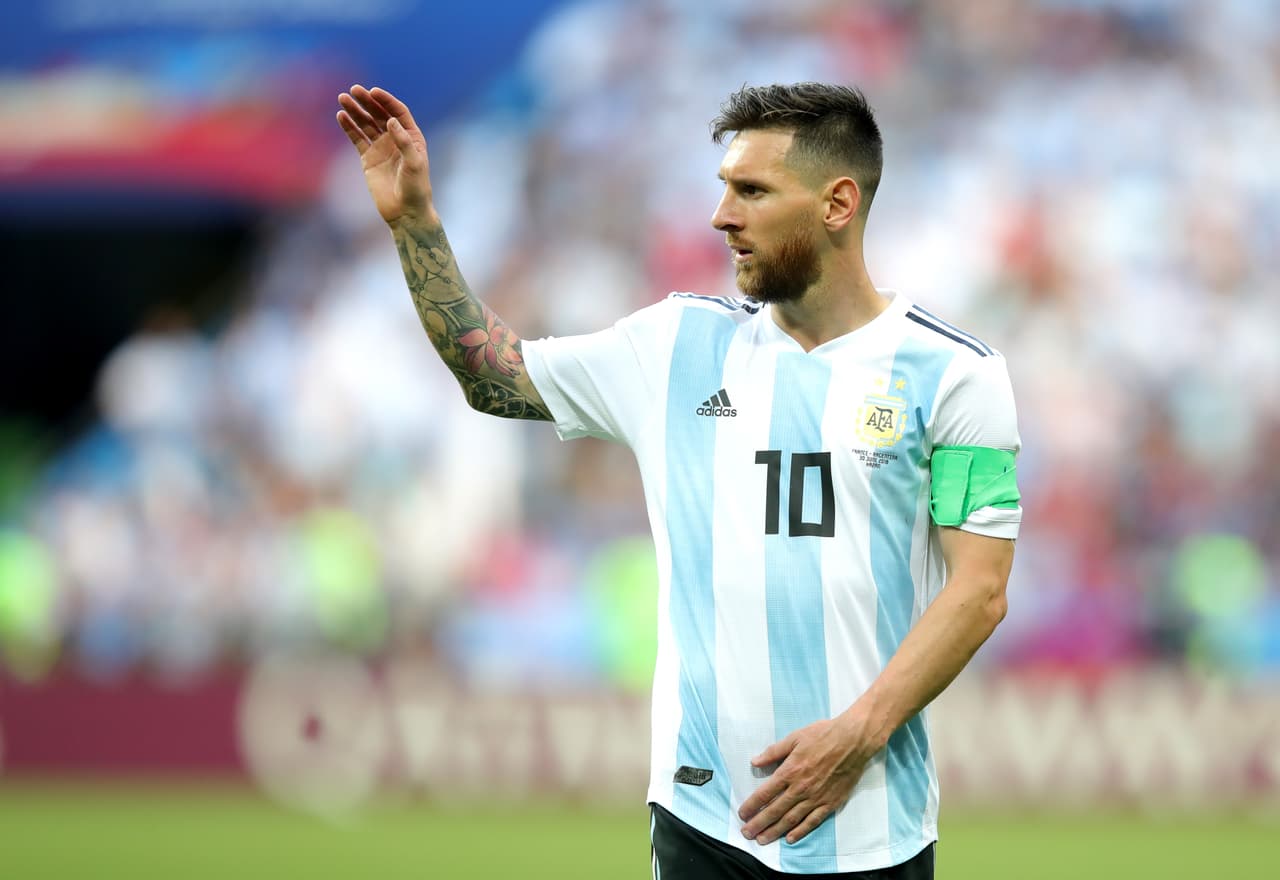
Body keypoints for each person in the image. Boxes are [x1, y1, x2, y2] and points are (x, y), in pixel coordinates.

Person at [336, 81, 1020, 879]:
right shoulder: (674, 346)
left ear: (838, 203)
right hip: (702, 820)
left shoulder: (957, 376)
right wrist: (416, 222)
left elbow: (979, 590)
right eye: (723, 188)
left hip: (870, 824)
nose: (721, 215)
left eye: (752, 191)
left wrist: (858, 733)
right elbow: (492, 375)